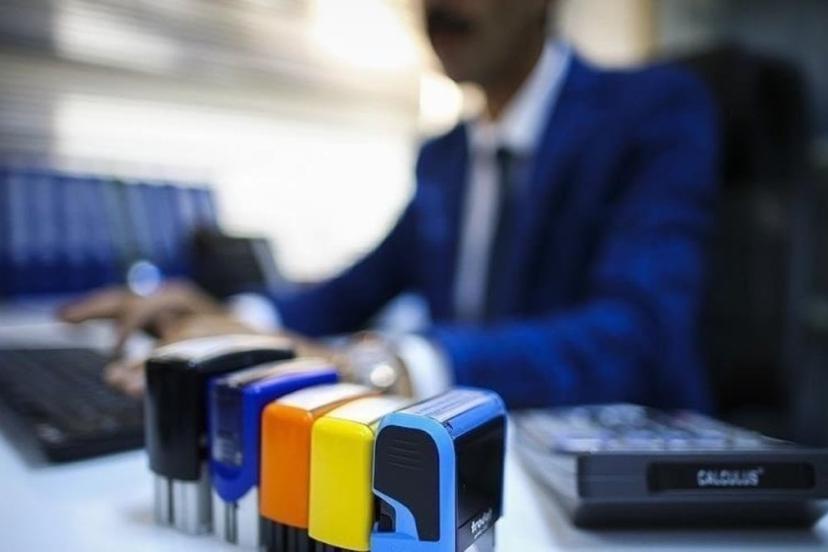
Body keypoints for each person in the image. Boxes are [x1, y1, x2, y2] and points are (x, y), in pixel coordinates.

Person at [61, 0, 718, 410]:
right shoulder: (445, 155)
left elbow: (637, 333)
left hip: (616, 480)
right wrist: (232, 318)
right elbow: (354, 290)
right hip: (462, 450)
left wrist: (385, 365)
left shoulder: (655, 111)